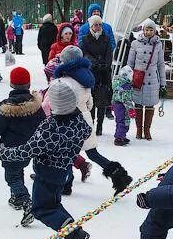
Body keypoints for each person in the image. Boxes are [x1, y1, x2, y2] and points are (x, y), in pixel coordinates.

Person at [0, 79, 93, 239]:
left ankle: (74, 234)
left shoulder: (50, 127)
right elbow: (87, 131)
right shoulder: (79, 119)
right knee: (53, 204)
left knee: (41, 209)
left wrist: (5, 153)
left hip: (47, 172)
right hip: (64, 170)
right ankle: (71, 237)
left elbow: (28, 150)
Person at [51, 45, 132, 196]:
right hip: (85, 120)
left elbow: (57, 104)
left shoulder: (63, 81)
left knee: (66, 153)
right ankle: (120, 176)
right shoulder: (85, 77)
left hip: (69, 121)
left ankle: (66, 184)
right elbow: (89, 103)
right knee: (92, 153)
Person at [0, 66, 43, 215]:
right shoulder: (36, 106)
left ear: (11, 84)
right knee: (18, 170)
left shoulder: (6, 108)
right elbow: (43, 124)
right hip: (30, 148)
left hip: (10, 150)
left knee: (12, 176)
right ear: (28, 85)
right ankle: (16, 198)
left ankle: (25, 200)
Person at [127, 19, 167, 141]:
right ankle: (139, 130)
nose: (148, 32)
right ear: (143, 30)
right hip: (138, 79)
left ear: (154, 31)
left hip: (152, 79)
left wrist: (163, 83)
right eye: (146, 29)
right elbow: (130, 63)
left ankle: (147, 130)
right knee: (138, 104)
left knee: (150, 105)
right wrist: (128, 78)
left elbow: (161, 64)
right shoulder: (135, 44)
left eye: (151, 30)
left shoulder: (158, 45)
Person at [81, 15, 115, 136]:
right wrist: (94, 63)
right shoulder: (85, 39)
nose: (98, 27)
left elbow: (109, 55)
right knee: (91, 102)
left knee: (101, 102)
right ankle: (91, 125)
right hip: (91, 74)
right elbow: (84, 53)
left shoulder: (106, 39)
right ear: (91, 26)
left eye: (100, 24)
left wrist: (104, 65)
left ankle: (100, 126)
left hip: (103, 75)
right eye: (96, 24)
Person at [111, 65, 136, 146]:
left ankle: (122, 136)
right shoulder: (126, 86)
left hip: (116, 105)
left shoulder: (116, 82)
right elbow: (127, 100)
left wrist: (112, 104)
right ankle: (119, 138)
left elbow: (114, 95)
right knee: (123, 122)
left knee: (120, 121)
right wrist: (131, 110)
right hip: (123, 107)